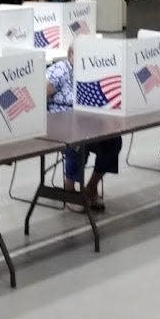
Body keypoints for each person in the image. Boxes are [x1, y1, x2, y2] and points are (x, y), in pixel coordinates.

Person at [45, 45, 121, 211]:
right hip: (61, 123)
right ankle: (70, 189)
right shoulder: (60, 69)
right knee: (77, 142)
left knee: (113, 141)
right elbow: (40, 93)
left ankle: (91, 186)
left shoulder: (94, 69)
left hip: (89, 120)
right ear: (70, 54)